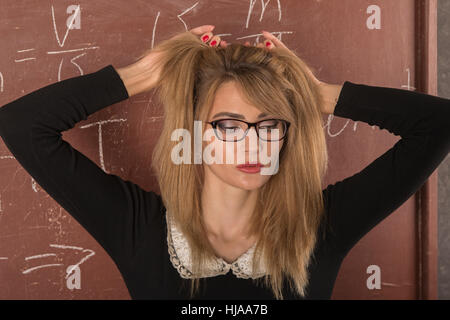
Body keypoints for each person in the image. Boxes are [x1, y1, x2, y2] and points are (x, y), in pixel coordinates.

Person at [0, 25, 448, 300]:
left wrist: (318, 95)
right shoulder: (136, 225)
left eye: (269, 124)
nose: (253, 146)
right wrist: (145, 73)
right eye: (229, 126)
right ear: (193, 133)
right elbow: (22, 125)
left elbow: (439, 125)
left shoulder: (323, 224)